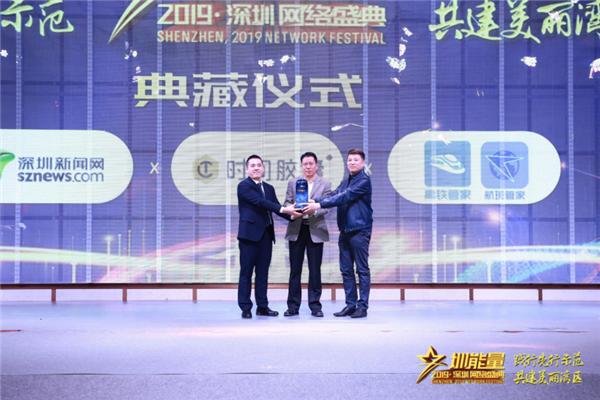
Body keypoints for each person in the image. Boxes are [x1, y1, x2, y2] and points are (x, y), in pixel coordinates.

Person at [302, 149, 373, 319]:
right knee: (346, 270)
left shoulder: (363, 180)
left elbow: (345, 197)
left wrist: (319, 206)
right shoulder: (347, 180)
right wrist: (315, 200)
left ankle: (362, 306)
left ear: (363, 163)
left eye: (356, 160)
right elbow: (335, 194)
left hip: (359, 230)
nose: (352, 162)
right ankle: (350, 305)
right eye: (350, 160)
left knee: (362, 270)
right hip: (345, 230)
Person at [237, 155, 302, 319]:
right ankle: (245, 307)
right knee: (246, 273)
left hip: (266, 235)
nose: (256, 168)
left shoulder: (269, 188)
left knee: (262, 273)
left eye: (259, 165)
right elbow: (261, 202)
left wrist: (294, 215)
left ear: (263, 168)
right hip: (249, 236)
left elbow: (275, 207)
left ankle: (262, 306)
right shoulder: (244, 186)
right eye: (252, 165)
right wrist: (285, 209)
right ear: (247, 169)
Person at [283, 152, 331, 318]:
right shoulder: (293, 182)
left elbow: (327, 206)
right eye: (305, 164)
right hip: (296, 229)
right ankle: (293, 306)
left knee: (315, 270)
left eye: (311, 164)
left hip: (315, 229)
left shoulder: (325, 184)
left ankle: (315, 306)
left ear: (317, 166)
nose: (308, 167)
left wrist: (314, 208)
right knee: (295, 270)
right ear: (301, 166)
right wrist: (293, 208)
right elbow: (287, 202)